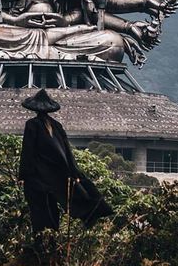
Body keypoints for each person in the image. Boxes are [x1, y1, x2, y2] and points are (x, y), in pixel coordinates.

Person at [18, 88, 113, 233]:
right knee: (54, 209)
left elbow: (28, 152)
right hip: (57, 176)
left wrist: (23, 175)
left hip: (39, 178)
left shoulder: (32, 124)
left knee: (41, 213)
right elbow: (67, 152)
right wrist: (75, 173)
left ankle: (44, 243)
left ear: (34, 108)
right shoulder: (56, 126)